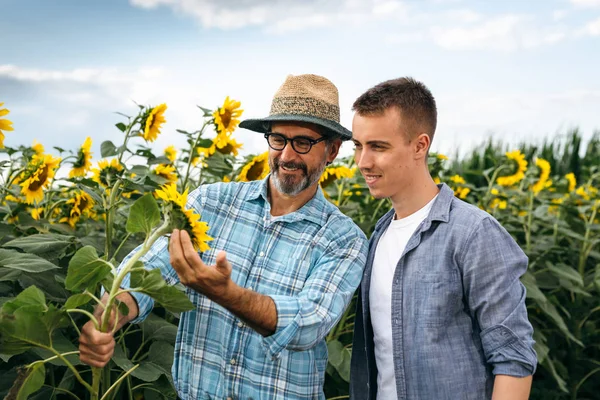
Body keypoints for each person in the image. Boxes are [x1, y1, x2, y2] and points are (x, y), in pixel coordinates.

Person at [79, 74, 368, 400]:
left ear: (331, 151)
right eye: (278, 139)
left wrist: (225, 293)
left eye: (303, 142)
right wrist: (107, 318)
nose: (287, 155)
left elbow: (308, 324)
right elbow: (147, 273)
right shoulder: (209, 204)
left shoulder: (345, 239)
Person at [349, 77, 537, 400]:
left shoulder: (473, 234)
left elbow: (513, 359)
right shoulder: (377, 237)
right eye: (358, 146)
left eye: (378, 147)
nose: (363, 162)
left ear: (420, 146)